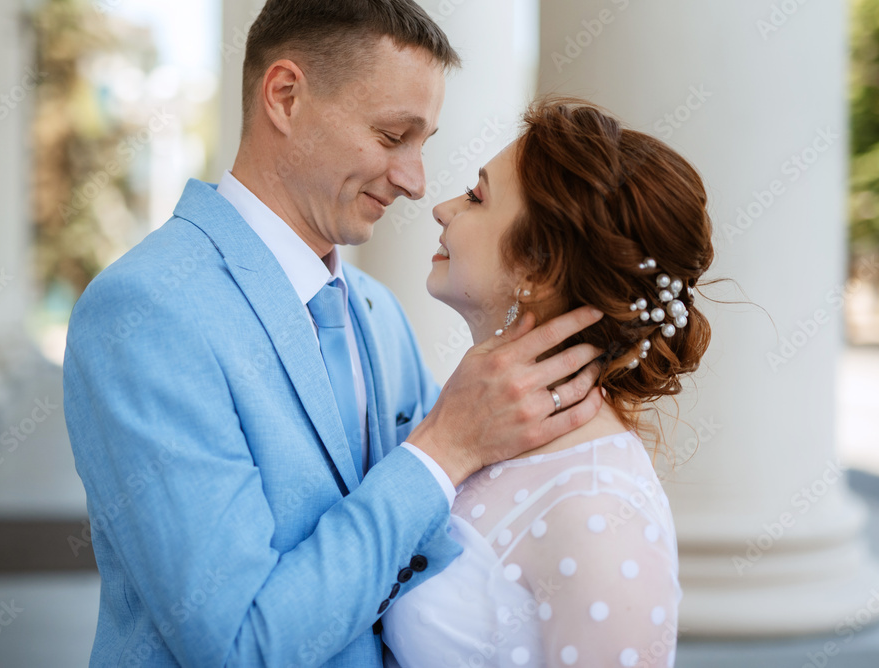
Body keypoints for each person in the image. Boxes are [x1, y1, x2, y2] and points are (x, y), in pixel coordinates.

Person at [62, 2, 604, 666]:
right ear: (285, 96)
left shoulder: (376, 311)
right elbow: (240, 647)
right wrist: (441, 450)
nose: (415, 181)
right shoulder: (143, 314)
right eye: (390, 136)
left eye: (423, 144)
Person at [382, 97, 714, 668]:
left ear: (538, 267)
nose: (441, 207)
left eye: (477, 197)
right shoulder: (476, 425)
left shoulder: (600, 510)